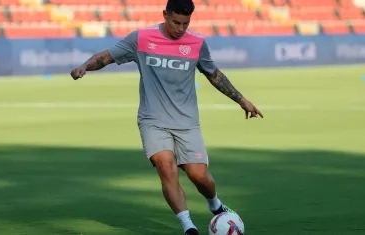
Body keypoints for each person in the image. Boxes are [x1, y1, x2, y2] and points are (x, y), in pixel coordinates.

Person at [70, 0, 263, 234]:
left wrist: (242, 100)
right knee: (166, 166)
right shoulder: (141, 39)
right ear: (165, 15)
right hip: (153, 120)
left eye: (185, 23)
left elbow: (214, 75)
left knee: (199, 176)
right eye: (175, 22)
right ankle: (188, 226)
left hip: (187, 122)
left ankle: (215, 204)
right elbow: (107, 56)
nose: (180, 28)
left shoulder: (197, 43)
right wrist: (84, 66)